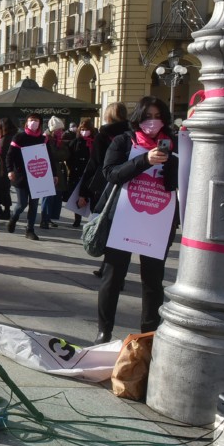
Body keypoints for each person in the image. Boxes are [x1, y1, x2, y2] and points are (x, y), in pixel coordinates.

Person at [94, 97, 179, 344]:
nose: (153, 122)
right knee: (113, 277)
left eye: (158, 117)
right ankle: (104, 331)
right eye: (147, 117)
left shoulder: (174, 144)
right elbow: (111, 173)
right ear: (138, 118)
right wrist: (144, 161)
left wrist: (170, 163)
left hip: (158, 220)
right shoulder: (123, 141)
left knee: (153, 280)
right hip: (123, 218)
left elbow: (178, 183)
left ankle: (147, 336)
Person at [80, 102, 129, 279]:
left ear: (108, 116)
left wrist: (84, 191)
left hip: (104, 185)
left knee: (102, 224)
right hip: (126, 185)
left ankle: (106, 266)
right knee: (120, 229)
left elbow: (94, 163)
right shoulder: (131, 134)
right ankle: (115, 272)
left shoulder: (103, 135)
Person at [4, 112, 54, 241]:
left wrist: (54, 174)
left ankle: (30, 229)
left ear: (40, 123)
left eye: (36, 120)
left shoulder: (43, 139)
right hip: (21, 176)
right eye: (31, 120)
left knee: (34, 204)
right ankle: (14, 218)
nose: (33, 122)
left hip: (38, 176)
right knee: (22, 204)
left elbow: (49, 157)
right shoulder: (19, 137)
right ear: (26, 122)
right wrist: (10, 170)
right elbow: (10, 156)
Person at [65, 117, 97, 228]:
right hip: (77, 173)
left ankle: (94, 218)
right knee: (77, 195)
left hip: (91, 173)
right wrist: (72, 168)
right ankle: (77, 219)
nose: (84, 131)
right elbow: (69, 158)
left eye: (86, 129)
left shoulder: (95, 142)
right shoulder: (75, 142)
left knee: (91, 196)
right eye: (82, 129)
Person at [39, 116, 69, 229]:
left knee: (55, 196)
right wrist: (62, 151)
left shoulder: (57, 140)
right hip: (49, 171)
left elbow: (66, 154)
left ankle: (49, 218)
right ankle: (44, 219)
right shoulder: (47, 139)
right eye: (59, 129)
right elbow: (55, 154)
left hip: (57, 171)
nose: (61, 132)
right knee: (48, 196)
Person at [0, 117, 17, 220]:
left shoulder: (7, 138)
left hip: (3, 167)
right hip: (5, 167)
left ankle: (6, 211)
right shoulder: (11, 137)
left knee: (3, 189)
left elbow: (2, 153)